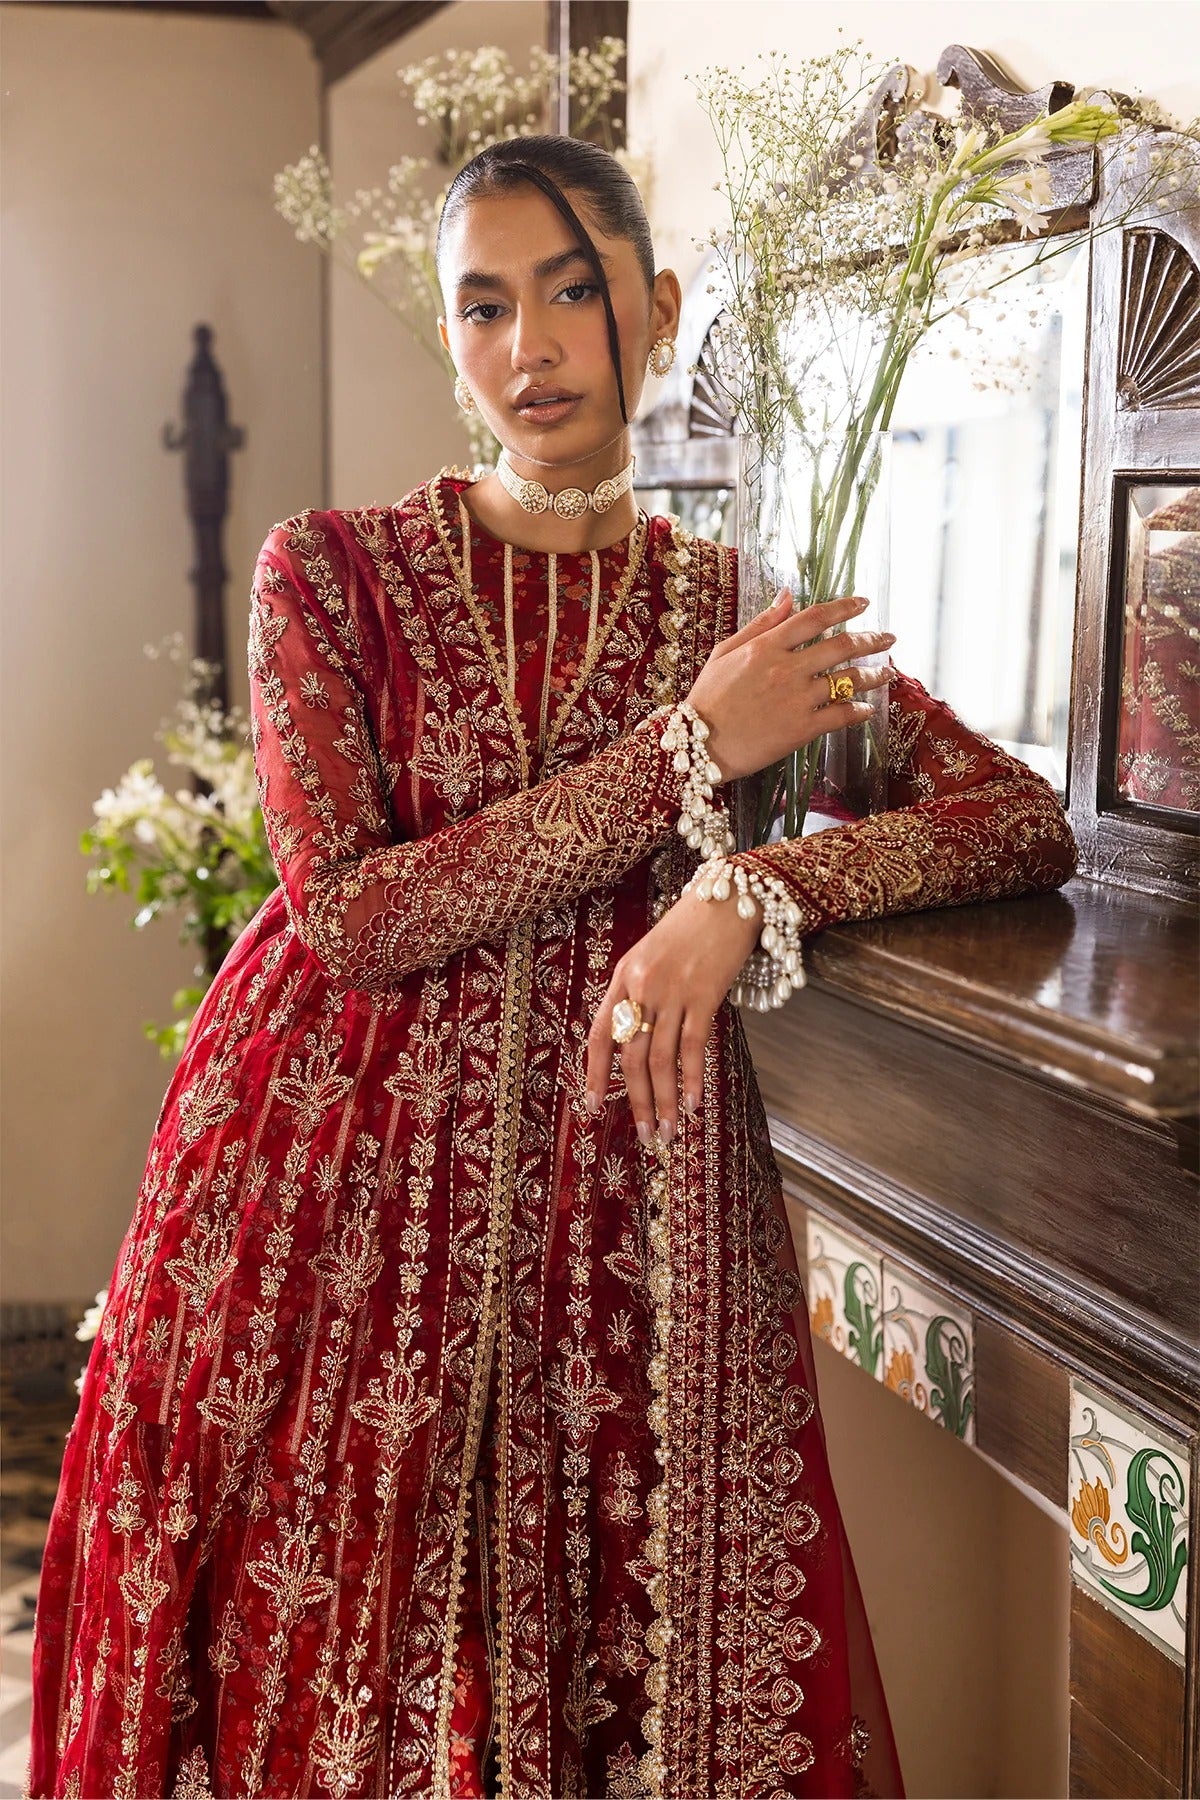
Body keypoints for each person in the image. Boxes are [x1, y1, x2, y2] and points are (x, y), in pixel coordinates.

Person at [28, 135, 1075, 1800]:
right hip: (322, 1216)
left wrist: (744, 886)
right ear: (451, 341)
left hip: (614, 1232)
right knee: (320, 1695)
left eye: (573, 291)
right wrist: (685, 753)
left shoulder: (737, 615)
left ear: (652, 310)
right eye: (486, 306)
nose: (532, 346)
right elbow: (357, 917)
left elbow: (1017, 822)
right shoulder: (327, 574)